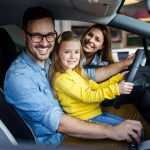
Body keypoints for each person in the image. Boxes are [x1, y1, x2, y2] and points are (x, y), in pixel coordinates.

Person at [3, 6, 145, 149]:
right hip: (58, 140)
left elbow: (89, 76)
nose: (45, 42)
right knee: (126, 141)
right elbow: (59, 123)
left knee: (134, 115)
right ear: (23, 35)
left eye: (50, 35)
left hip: (74, 118)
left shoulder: (49, 61)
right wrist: (112, 131)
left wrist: (123, 64)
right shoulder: (19, 78)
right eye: (37, 35)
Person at [50, 31, 134, 126]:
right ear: (57, 53)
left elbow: (97, 87)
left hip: (95, 113)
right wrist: (116, 89)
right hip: (84, 119)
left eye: (76, 52)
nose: (73, 56)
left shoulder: (77, 72)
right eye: (67, 52)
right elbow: (88, 96)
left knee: (133, 126)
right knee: (132, 131)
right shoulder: (61, 79)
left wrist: (118, 78)